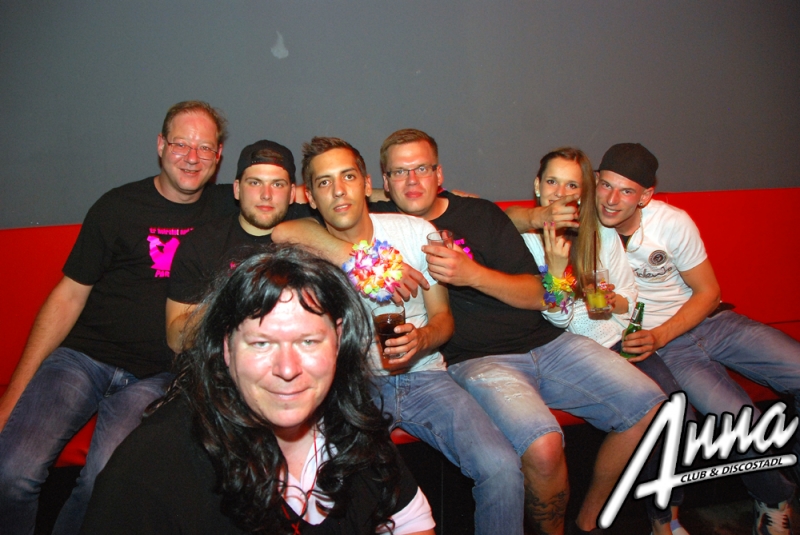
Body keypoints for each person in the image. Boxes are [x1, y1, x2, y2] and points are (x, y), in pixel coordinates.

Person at [0, 100, 236, 535]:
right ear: (160, 145)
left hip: (156, 375)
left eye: (205, 147)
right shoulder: (117, 206)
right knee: (11, 472)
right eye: (181, 144)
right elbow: (68, 296)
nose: (192, 157)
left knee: (104, 486)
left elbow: (288, 199)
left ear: (218, 155)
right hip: (83, 360)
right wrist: (14, 394)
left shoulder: (228, 207)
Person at [80, 247, 435, 534]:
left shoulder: (351, 422)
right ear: (227, 348)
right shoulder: (152, 466)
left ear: (338, 340)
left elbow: (411, 521)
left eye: (308, 341)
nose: (287, 369)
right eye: (262, 343)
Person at [273, 136, 526, 535]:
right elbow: (282, 231)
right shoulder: (306, 250)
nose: (338, 191)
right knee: (344, 492)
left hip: (425, 377)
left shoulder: (413, 231)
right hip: (355, 387)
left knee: (502, 467)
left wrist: (422, 339)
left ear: (366, 184)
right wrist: (361, 261)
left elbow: (443, 319)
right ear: (310, 197)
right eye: (324, 182)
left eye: (348, 177)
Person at [594, 142, 800, 534]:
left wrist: (660, 334)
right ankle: (774, 496)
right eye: (606, 185)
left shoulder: (671, 222)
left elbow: (708, 292)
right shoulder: (584, 230)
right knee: (736, 418)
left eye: (626, 190)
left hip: (710, 322)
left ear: (645, 196)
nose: (611, 199)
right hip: (671, 349)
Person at [515, 147, 690, 535]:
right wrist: (557, 272)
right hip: (571, 351)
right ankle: (597, 520)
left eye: (572, 185)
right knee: (650, 411)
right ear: (537, 186)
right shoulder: (524, 242)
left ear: (584, 192)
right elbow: (557, 320)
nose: (561, 193)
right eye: (552, 182)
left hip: (616, 339)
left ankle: (663, 517)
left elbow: (630, 297)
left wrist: (612, 303)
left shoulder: (600, 232)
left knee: (677, 407)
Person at [166, 139, 315, 353]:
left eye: (277, 184)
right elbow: (176, 340)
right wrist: (234, 300)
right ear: (237, 189)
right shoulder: (202, 243)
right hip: (221, 367)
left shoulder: (310, 234)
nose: (266, 194)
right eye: (255, 183)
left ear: (292, 193)